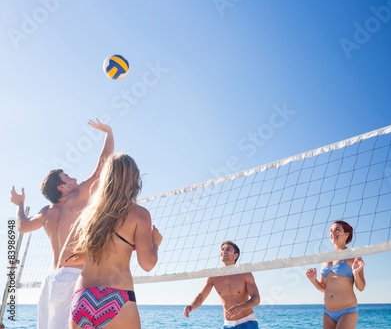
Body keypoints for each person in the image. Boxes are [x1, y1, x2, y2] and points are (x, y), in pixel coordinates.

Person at [10, 118, 113, 329]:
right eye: (67, 177)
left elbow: (22, 226)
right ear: (61, 188)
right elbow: (103, 167)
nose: (73, 178)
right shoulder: (74, 200)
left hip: (49, 280)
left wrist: (20, 205)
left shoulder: (46, 213)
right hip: (70, 277)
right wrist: (108, 133)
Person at [67, 153, 163, 329]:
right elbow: (147, 264)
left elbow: (70, 258)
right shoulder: (139, 214)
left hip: (82, 298)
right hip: (117, 296)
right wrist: (155, 243)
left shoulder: (88, 214)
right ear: (134, 179)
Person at [184, 241, 260, 329]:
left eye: (228, 249)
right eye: (222, 249)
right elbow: (201, 297)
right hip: (228, 324)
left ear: (236, 255)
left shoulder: (245, 274)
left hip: (247, 322)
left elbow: (256, 299)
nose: (224, 251)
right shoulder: (214, 276)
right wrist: (191, 306)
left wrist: (242, 307)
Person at [305, 220, 366, 329]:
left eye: (337, 230)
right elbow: (324, 288)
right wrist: (313, 280)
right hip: (328, 312)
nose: (333, 233)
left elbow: (361, 287)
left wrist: (356, 273)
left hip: (347, 311)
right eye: (331, 230)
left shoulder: (353, 256)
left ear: (346, 234)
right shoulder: (325, 258)